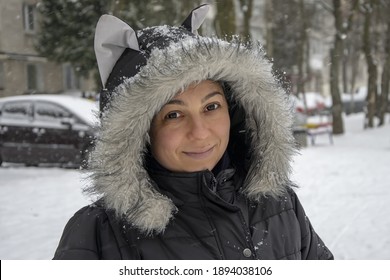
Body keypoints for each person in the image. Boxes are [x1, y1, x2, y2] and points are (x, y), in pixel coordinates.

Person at [53, 4, 333, 260]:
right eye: (173, 115)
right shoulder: (98, 235)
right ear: (139, 133)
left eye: (211, 106)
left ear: (233, 110)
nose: (200, 133)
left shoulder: (278, 204)